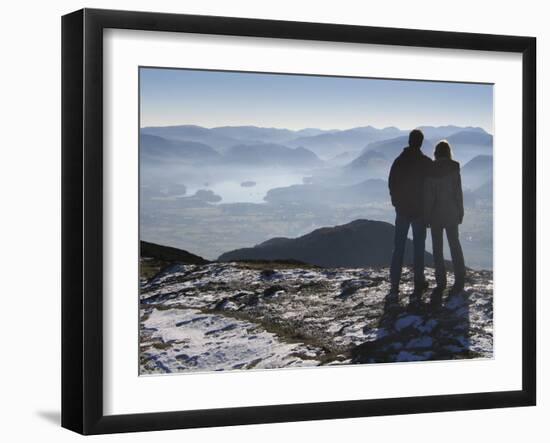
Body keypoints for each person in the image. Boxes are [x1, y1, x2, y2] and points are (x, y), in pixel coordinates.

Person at [388, 129, 433, 298]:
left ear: (409, 141)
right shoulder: (425, 162)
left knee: (398, 247)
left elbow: (392, 183)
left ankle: (394, 284)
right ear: (421, 142)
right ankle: (419, 281)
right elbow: (431, 186)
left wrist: (396, 203)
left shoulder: (399, 161)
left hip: (402, 210)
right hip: (419, 212)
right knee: (419, 248)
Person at [423, 140, 466, 298]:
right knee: (455, 245)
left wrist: (426, 215)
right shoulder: (455, 167)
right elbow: (458, 193)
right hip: (451, 212)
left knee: (437, 248)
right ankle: (460, 278)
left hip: (435, 215)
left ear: (436, 153)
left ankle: (441, 281)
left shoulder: (430, 170)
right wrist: (460, 212)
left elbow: (429, 197)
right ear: (448, 152)